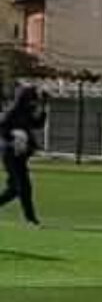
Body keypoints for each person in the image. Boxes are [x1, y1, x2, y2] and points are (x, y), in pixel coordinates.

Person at [1, 80, 46, 227]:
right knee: (24, 187)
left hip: (21, 155)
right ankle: (30, 219)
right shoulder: (12, 112)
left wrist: (43, 108)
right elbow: (2, 129)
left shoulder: (26, 112)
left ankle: (30, 219)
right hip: (11, 155)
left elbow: (37, 124)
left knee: (14, 190)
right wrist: (13, 139)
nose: (33, 102)